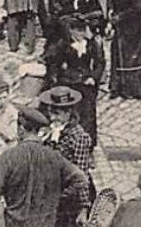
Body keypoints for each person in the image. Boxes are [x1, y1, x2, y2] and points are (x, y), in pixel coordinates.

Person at [0, 106, 89, 227]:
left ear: (21, 130)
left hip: (15, 226)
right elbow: (81, 179)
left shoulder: (9, 157)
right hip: (46, 226)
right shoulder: (54, 156)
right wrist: (58, 196)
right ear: (38, 131)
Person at [44, 11, 106, 144]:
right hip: (69, 84)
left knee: (88, 116)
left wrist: (94, 77)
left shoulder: (91, 44)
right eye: (78, 31)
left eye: (83, 31)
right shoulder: (63, 45)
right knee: (70, 114)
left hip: (87, 85)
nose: (81, 35)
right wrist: (57, 80)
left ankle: (87, 145)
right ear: (71, 31)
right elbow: (54, 64)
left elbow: (100, 62)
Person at [41, 86, 96, 227]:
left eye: (57, 114)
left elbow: (82, 175)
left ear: (69, 113)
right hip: (54, 190)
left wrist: (84, 208)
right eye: (51, 112)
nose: (53, 117)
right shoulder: (53, 130)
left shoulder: (78, 137)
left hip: (72, 197)